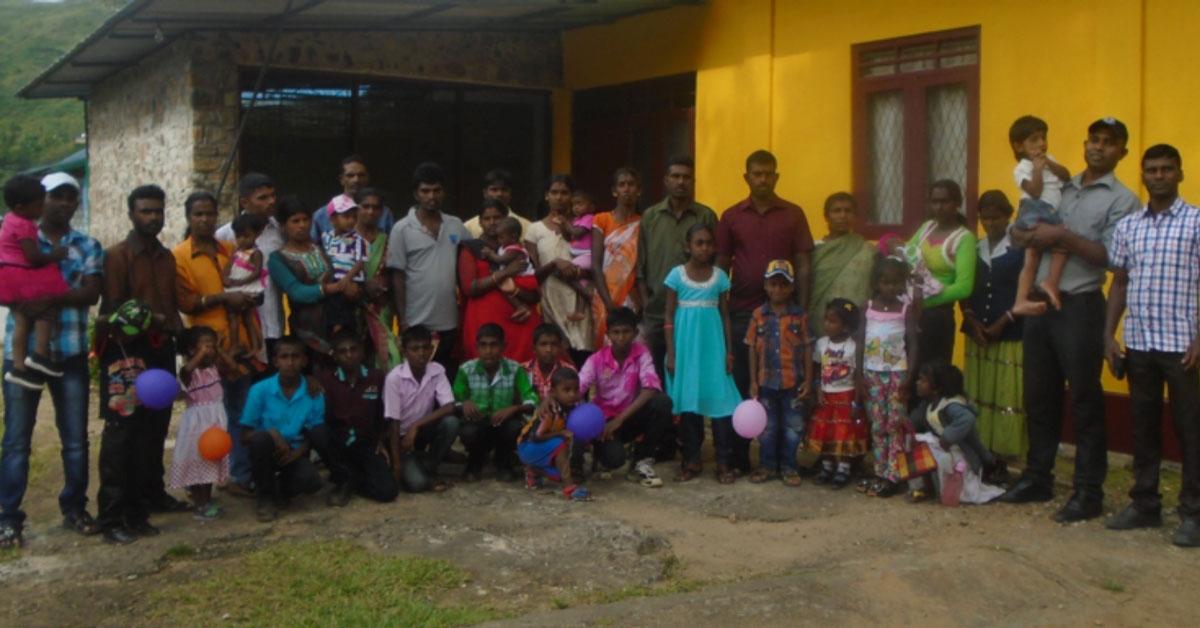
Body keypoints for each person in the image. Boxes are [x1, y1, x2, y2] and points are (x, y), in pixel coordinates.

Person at [999, 118, 1140, 524]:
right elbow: (1021, 226)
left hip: (1079, 304)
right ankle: (1038, 476)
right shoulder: (1062, 181)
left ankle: (1088, 491)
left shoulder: (1122, 200)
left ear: (1121, 153)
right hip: (1041, 304)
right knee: (1038, 395)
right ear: (1085, 143)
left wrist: (1060, 239)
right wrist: (1022, 234)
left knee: (1084, 398)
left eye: (1109, 143)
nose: (1098, 147)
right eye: (1094, 139)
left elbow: (1114, 257)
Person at [1104, 144, 1200, 547]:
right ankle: (1145, 504)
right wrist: (1108, 334)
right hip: (1139, 343)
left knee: (1190, 430)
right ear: (1143, 176)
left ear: (1179, 174)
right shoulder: (1130, 226)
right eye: (1152, 170)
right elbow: (1120, 282)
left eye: (1166, 169)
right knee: (1144, 428)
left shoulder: (1196, 222)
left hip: (1184, 348)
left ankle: (1193, 513)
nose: (1159, 175)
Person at [1, 172, 103, 548]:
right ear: (39, 200)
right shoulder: (16, 235)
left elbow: (92, 294)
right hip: (24, 354)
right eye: (55, 196)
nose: (62, 204)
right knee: (16, 440)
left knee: (75, 439)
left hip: (72, 352)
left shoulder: (88, 245)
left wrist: (46, 299)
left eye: (70, 197)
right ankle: (8, 518)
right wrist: (41, 297)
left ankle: (74, 508)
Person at [96, 184, 187, 545]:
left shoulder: (166, 257)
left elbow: (173, 306)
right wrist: (158, 320)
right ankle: (112, 515)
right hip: (125, 354)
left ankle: (142, 505)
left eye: (157, 211)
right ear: (131, 214)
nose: (152, 217)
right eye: (145, 211)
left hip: (160, 352)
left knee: (153, 430)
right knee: (122, 435)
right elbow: (113, 313)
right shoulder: (118, 256)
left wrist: (177, 334)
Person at [717, 149, 815, 475]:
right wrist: (721, 309)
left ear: (776, 176)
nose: (763, 179)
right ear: (746, 177)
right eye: (756, 173)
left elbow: (803, 263)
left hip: (785, 315)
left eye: (768, 173)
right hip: (744, 311)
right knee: (744, 385)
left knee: (784, 388)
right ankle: (739, 458)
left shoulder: (793, 214)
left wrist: (803, 307)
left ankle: (781, 460)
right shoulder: (731, 216)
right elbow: (721, 265)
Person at [174, 190, 263, 498]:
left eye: (210, 213)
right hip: (207, 353)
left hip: (237, 345)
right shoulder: (181, 255)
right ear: (188, 217)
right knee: (207, 417)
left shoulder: (230, 249)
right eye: (198, 214)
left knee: (240, 412)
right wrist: (225, 297)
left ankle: (237, 474)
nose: (204, 220)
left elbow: (249, 286)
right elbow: (186, 302)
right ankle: (199, 483)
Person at [664, 225, 743, 483]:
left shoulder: (719, 277)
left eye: (709, 243)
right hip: (686, 349)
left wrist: (729, 352)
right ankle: (692, 460)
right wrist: (672, 354)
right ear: (688, 246)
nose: (704, 248)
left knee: (721, 404)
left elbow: (725, 315)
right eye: (699, 243)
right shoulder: (676, 276)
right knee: (689, 404)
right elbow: (668, 316)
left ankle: (723, 462)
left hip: (713, 349)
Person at [240, 336, 339, 522]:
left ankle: (282, 491)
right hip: (267, 452)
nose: (290, 362)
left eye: (295, 356)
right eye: (284, 357)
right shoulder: (260, 390)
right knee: (260, 440)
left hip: (294, 452)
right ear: (275, 361)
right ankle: (266, 498)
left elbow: (316, 433)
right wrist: (272, 434)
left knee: (311, 482)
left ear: (304, 361)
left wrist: (299, 452)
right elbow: (245, 436)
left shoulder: (313, 392)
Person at [637, 155, 718, 378]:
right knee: (657, 377)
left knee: (692, 375)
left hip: (694, 310)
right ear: (666, 180)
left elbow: (716, 264)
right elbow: (641, 267)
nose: (681, 181)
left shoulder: (706, 216)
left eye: (686, 177)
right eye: (676, 176)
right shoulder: (651, 217)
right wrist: (646, 304)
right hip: (657, 313)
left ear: (693, 182)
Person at [961, 191, 1026, 461]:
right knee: (979, 392)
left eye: (996, 218)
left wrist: (1004, 321)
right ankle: (979, 451)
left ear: (1008, 215)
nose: (990, 224)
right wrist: (970, 317)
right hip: (977, 333)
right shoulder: (974, 248)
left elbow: (1028, 289)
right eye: (985, 218)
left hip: (1010, 331)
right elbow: (964, 285)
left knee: (1006, 393)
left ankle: (1003, 455)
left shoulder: (1019, 249)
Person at [388, 162, 469, 376]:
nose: (431, 196)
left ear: (444, 193)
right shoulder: (401, 228)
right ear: (416, 193)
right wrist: (402, 319)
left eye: (436, 190)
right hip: (416, 322)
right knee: (418, 381)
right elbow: (397, 276)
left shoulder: (456, 226)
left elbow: (470, 266)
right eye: (425, 191)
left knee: (447, 378)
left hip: (450, 322)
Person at [577, 307, 673, 488]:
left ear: (635, 332)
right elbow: (578, 387)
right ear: (608, 334)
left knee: (662, 403)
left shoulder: (642, 353)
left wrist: (620, 419)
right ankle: (600, 454)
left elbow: (651, 388)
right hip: (604, 422)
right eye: (616, 332)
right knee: (615, 459)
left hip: (629, 416)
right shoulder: (596, 359)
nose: (621, 338)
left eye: (626, 332)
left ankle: (642, 461)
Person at [746, 259, 811, 486]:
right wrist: (753, 381)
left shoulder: (799, 316)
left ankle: (789, 467)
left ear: (792, 287)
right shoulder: (758, 315)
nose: (778, 289)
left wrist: (809, 381)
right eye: (773, 284)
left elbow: (806, 348)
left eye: (783, 284)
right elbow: (752, 349)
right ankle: (766, 465)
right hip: (766, 383)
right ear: (765, 286)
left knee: (793, 427)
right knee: (767, 427)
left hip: (793, 383)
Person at [0, 175, 68, 390]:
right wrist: (55, 255)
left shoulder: (10, 219)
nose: (42, 209)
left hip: (8, 275)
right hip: (23, 273)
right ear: (21, 207)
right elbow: (33, 256)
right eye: (39, 205)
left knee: (21, 321)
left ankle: (18, 368)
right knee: (47, 307)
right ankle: (39, 354)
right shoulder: (26, 225)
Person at [316, 330, 399, 505]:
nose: (349, 355)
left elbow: (385, 412)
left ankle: (354, 480)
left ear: (361, 351)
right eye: (342, 351)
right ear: (335, 355)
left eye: (353, 350)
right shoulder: (326, 380)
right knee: (319, 432)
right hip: (338, 442)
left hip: (366, 442)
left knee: (388, 492)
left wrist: (381, 439)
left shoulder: (375, 377)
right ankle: (342, 477)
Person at [860, 257, 920, 498]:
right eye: (885, 282)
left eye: (896, 283)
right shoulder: (868, 307)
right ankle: (879, 470)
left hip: (897, 373)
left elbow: (913, 343)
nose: (891, 288)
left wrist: (909, 376)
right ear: (876, 283)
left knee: (895, 423)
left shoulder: (905, 309)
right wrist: (857, 375)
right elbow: (861, 342)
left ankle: (894, 473)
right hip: (871, 373)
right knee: (877, 424)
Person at [905, 180, 976, 378]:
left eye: (945, 202)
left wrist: (924, 302)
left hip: (938, 316)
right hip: (912, 311)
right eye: (934, 201)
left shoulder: (964, 239)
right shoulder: (926, 228)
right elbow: (906, 254)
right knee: (909, 373)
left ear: (957, 203)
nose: (939, 207)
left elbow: (963, 287)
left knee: (931, 377)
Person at [908, 362, 1006, 505]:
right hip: (945, 450)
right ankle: (926, 486)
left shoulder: (951, 405)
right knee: (915, 442)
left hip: (959, 454)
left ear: (937, 388)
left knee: (931, 452)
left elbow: (967, 419)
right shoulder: (928, 404)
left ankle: (941, 488)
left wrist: (948, 437)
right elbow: (913, 421)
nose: (917, 383)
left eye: (923, 380)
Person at [459, 200, 543, 363]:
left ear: (505, 218)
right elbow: (470, 288)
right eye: (486, 218)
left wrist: (517, 293)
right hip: (483, 323)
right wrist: (505, 273)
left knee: (522, 374)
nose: (492, 223)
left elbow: (534, 293)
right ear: (480, 222)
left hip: (520, 322)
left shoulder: (519, 250)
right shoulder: (471, 248)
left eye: (497, 217)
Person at [453, 324, 539, 482]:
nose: (488, 350)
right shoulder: (466, 370)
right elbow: (454, 400)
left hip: (503, 423)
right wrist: (464, 403)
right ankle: (474, 463)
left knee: (515, 428)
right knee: (468, 432)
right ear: (476, 347)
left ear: (503, 347)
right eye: (483, 345)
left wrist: (515, 408)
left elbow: (532, 399)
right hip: (477, 422)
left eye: (494, 345)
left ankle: (503, 462)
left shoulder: (515, 369)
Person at [383, 325, 461, 493]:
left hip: (421, 431)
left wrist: (416, 426)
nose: (421, 353)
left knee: (451, 423)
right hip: (400, 438)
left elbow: (449, 407)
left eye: (425, 348)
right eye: (415, 349)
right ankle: (409, 465)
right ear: (404, 351)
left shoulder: (437, 370)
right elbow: (393, 423)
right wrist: (397, 465)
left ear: (432, 349)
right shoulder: (394, 379)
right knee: (417, 485)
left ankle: (428, 466)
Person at [268, 196, 346, 361]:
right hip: (305, 329)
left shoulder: (324, 246)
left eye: (305, 219)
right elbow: (296, 292)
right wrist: (328, 289)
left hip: (335, 322)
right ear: (283, 226)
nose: (302, 225)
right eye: (295, 221)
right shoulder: (278, 259)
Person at [169, 326, 236, 520]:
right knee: (198, 463)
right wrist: (198, 356)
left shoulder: (215, 369)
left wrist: (220, 350)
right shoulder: (189, 372)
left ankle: (206, 500)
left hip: (215, 420)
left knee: (211, 463)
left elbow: (232, 368)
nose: (209, 351)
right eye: (204, 346)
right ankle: (201, 504)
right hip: (197, 424)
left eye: (212, 346)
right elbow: (185, 372)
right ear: (191, 350)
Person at [1008, 116, 1073, 316]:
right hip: (1035, 209)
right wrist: (1037, 169)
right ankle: (1030, 294)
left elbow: (1066, 176)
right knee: (1057, 243)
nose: (1042, 143)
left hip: (1049, 210)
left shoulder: (1049, 160)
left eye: (1044, 138)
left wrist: (1049, 164)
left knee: (1041, 252)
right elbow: (1035, 191)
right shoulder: (1022, 168)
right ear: (1019, 147)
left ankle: (1040, 288)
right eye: (1034, 139)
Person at [526, 174, 593, 362]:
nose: (559, 197)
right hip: (551, 302)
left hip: (581, 302)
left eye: (564, 192)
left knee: (582, 357)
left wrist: (577, 272)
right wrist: (554, 264)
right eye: (554, 192)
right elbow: (533, 276)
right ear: (546, 195)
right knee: (556, 360)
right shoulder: (535, 229)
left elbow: (598, 264)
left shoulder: (585, 227)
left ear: (572, 196)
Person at [216, 173, 284, 356]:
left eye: (273, 195)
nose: (271, 201)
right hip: (242, 322)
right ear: (245, 202)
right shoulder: (226, 235)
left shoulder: (280, 231)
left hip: (274, 320)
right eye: (263, 197)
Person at [807, 299, 868, 490]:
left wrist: (857, 403)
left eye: (832, 321)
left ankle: (843, 469)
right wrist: (817, 386)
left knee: (844, 435)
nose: (826, 324)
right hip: (826, 397)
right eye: (825, 320)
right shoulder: (821, 344)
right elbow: (818, 367)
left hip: (846, 396)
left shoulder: (853, 347)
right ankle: (826, 467)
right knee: (826, 433)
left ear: (846, 327)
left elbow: (858, 376)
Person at [808, 192, 877, 339]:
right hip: (821, 326)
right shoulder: (814, 251)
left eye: (848, 211)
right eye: (837, 211)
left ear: (855, 216)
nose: (843, 215)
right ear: (827, 216)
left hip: (856, 327)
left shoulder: (867, 250)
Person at [518, 367, 591, 501]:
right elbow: (536, 436)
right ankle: (569, 488)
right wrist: (560, 433)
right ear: (553, 393)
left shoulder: (571, 408)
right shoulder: (549, 410)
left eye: (575, 390)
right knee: (560, 442)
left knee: (563, 474)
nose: (572, 394)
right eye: (566, 390)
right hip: (527, 447)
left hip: (544, 448)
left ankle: (534, 471)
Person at [590, 167, 644, 346]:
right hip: (605, 296)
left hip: (633, 296)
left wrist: (642, 301)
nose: (627, 189)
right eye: (622, 185)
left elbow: (643, 266)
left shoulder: (644, 223)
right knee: (606, 350)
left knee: (634, 347)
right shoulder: (602, 219)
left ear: (639, 190)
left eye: (631, 185)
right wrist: (609, 304)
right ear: (614, 191)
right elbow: (596, 265)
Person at [354, 187, 401, 370]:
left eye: (375, 208)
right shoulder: (344, 240)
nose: (370, 212)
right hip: (353, 310)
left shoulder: (389, 240)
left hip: (381, 309)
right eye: (365, 206)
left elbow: (396, 276)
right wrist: (363, 286)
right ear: (356, 208)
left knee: (390, 356)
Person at [310, 155, 394, 243]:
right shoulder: (322, 214)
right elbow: (313, 247)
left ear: (368, 178)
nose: (356, 180)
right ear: (341, 179)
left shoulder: (383, 213)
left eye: (361, 175)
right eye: (350, 175)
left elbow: (391, 246)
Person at [320, 194, 368, 336]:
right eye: (346, 217)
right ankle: (335, 328)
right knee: (332, 303)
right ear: (333, 219)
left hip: (352, 279)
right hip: (334, 278)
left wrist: (348, 279)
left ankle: (341, 330)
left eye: (354, 217)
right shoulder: (326, 237)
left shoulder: (357, 239)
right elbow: (324, 256)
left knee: (345, 304)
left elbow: (360, 262)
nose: (351, 221)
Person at [222, 212, 267, 359]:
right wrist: (226, 277)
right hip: (235, 285)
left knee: (236, 316)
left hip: (246, 287)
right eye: (238, 236)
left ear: (257, 234)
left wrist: (240, 282)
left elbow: (257, 272)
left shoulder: (256, 253)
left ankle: (242, 345)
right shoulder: (237, 250)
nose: (241, 240)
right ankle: (249, 346)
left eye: (246, 236)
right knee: (243, 317)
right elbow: (229, 264)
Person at [479, 216, 536, 319]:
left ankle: (520, 307)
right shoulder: (506, 246)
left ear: (513, 237)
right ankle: (520, 307)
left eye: (501, 238)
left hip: (522, 278)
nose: (499, 240)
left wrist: (491, 254)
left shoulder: (514, 249)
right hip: (515, 277)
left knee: (505, 287)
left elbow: (501, 260)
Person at [557, 190, 597, 321]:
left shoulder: (589, 218)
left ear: (590, 207)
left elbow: (578, 233)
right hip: (578, 256)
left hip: (587, 256)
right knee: (581, 283)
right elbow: (568, 236)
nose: (576, 207)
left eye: (580, 204)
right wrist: (563, 225)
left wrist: (566, 223)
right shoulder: (576, 220)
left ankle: (588, 296)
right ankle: (580, 311)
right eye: (573, 204)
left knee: (563, 273)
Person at [464, 168, 531, 239]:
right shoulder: (469, 227)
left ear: (510, 193)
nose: (499, 194)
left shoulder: (526, 226)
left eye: (504, 190)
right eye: (494, 189)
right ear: (485, 193)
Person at [523, 323, 576, 400]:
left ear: (560, 348)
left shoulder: (569, 370)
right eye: (543, 344)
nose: (549, 349)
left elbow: (574, 400)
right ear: (534, 348)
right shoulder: (524, 370)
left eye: (554, 344)